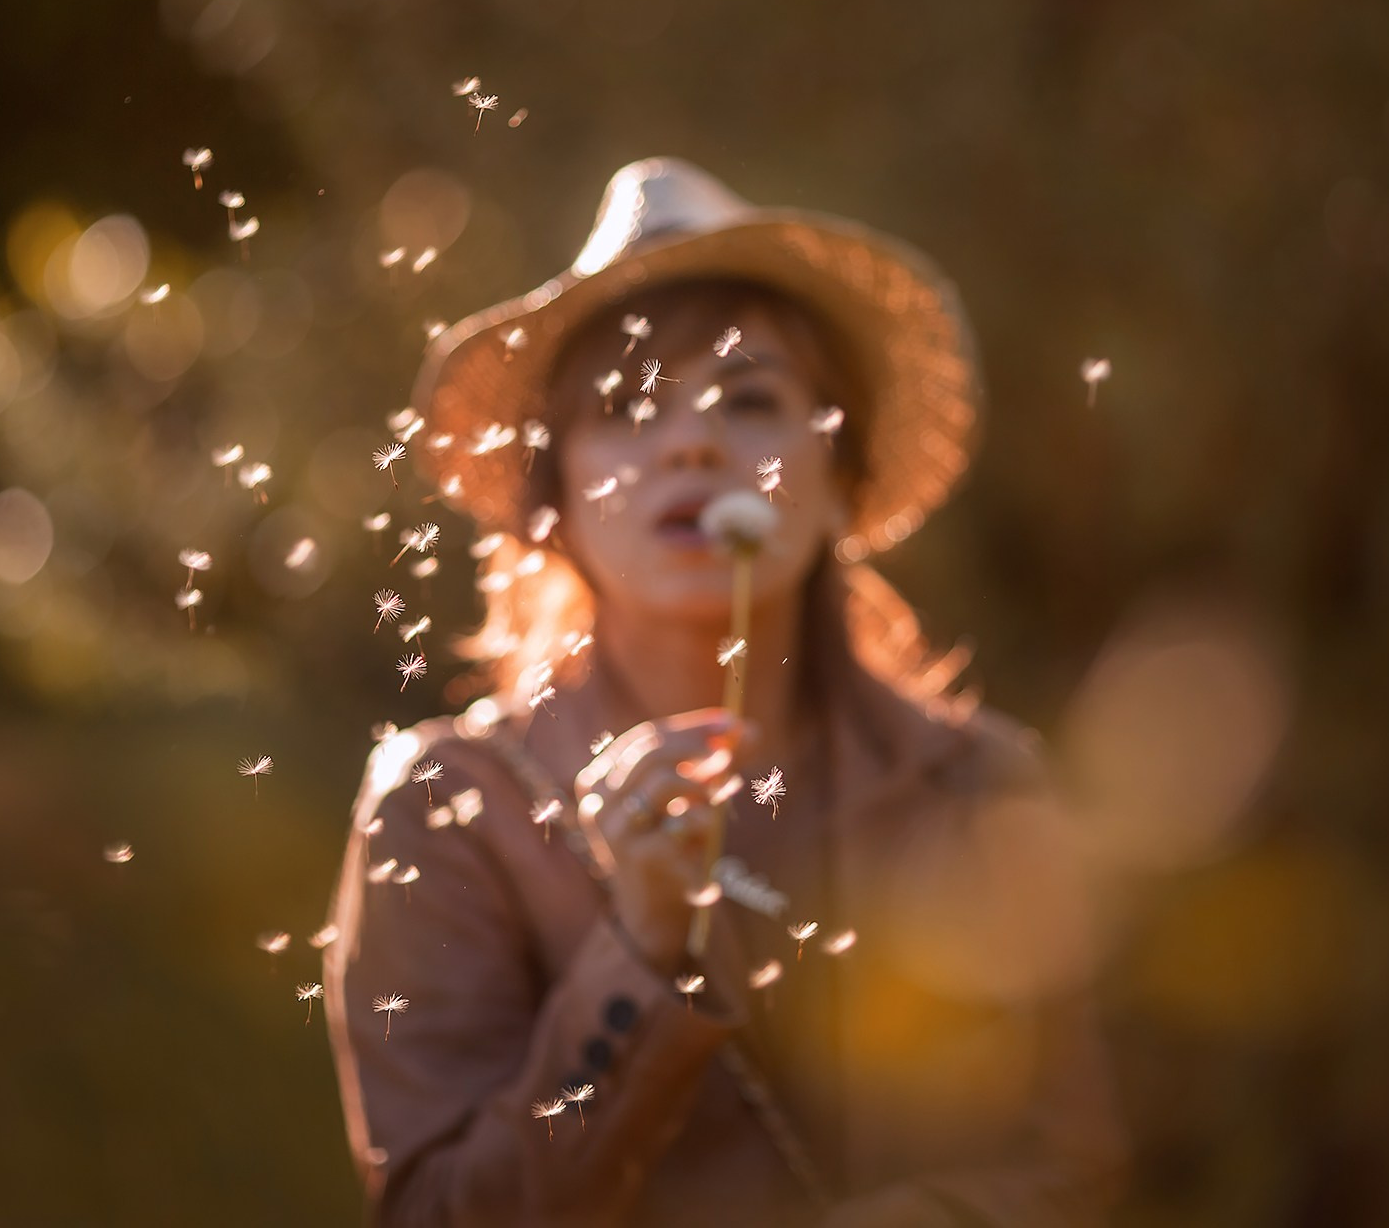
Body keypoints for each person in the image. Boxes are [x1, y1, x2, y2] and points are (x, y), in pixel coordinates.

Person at [324, 158, 1126, 1227]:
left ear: (842, 473)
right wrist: (638, 952)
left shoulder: (982, 784)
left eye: (750, 398)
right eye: (624, 407)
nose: (692, 442)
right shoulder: (447, 808)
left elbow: (1077, 1177)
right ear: (550, 497)